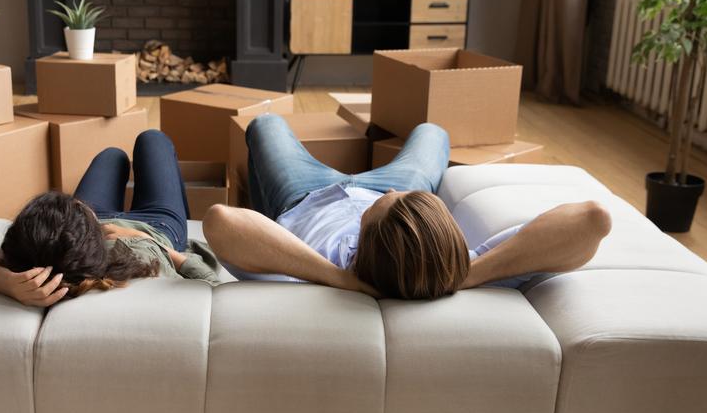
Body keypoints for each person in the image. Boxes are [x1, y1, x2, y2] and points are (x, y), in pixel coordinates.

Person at [203, 113, 612, 300]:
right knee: (433, 130)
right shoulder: (452, 263)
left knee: (265, 125)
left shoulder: (309, 276)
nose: (378, 200)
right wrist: (469, 274)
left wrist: (337, 278)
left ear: (365, 242)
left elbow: (221, 221)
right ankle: (403, 199)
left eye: (376, 208)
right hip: (404, 191)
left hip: (306, 196)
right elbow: (594, 220)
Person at [0, 130, 221, 306]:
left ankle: (108, 173)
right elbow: (212, 283)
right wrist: (158, 246)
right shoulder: (145, 274)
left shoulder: (26, 267)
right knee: (152, 140)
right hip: (155, 227)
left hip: (74, 231)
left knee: (111, 156)